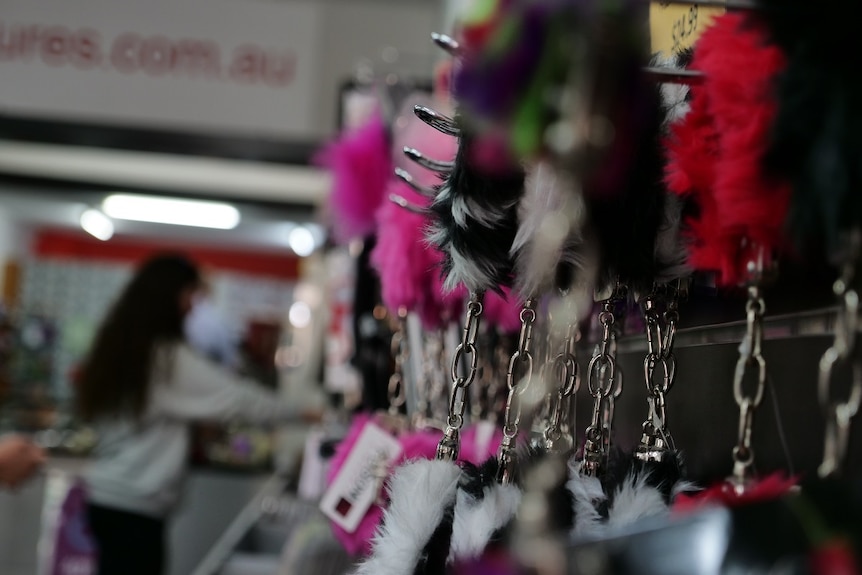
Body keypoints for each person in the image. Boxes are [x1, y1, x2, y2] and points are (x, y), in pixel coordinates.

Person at [76, 253, 320, 575]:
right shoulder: (165, 358)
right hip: (134, 508)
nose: (194, 306)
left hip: (107, 499)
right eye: (192, 295)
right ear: (171, 296)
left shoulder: (122, 347)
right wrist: (306, 412)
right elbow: (238, 398)